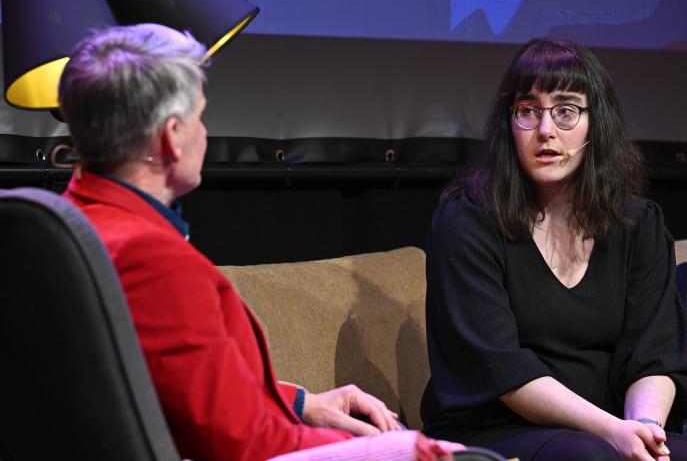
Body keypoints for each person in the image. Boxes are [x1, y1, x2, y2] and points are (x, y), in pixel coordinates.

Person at [58, 24, 463, 461]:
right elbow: (244, 443)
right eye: (199, 117)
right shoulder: (154, 260)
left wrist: (303, 403)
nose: (204, 135)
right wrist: (388, 448)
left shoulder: (64, 222)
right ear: (172, 136)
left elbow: (173, 390)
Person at [420, 38, 687, 461]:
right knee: (585, 455)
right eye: (528, 111)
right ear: (509, 123)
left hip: (612, 421)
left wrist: (645, 430)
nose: (545, 131)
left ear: (596, 124)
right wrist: (612, 431)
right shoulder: (468, 221)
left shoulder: (637, 223)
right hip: (498, 425)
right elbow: (500, 370)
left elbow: (657, 351)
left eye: (566, 111)